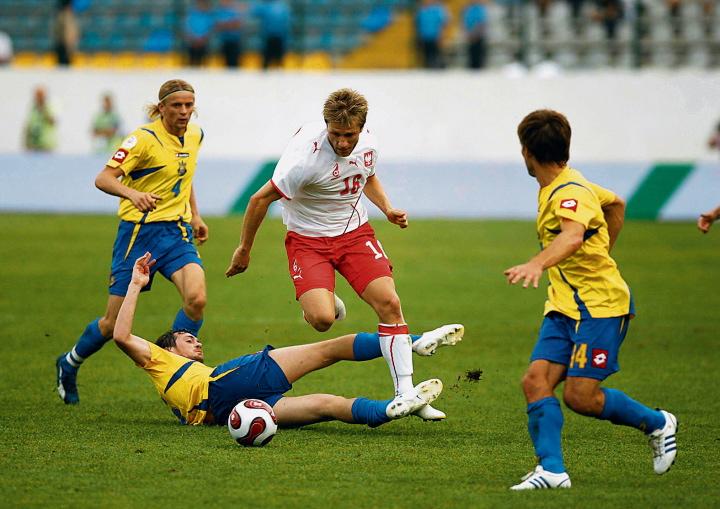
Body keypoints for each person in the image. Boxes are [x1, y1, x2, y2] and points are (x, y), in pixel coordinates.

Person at [226, 88, 449, 421]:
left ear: (362, 128)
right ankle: (325, 299)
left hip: (354, 234)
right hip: (307, 240)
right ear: (325, 125)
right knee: (321, 320)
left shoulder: (369, 144)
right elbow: (259, 200)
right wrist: (244, 249)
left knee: (389, 303)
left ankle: (406, 393)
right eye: (336, 134)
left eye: (350, 135)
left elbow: (367, 176)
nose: (343, 143)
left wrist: (387, 209)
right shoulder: (303, 160)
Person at [504, 109, 678, 490]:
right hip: (564, 306)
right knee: (535, 381)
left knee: (580, 397)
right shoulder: (567, 184)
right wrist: (603, 250)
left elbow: (571, 236)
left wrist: (537, 263)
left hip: (599, 307)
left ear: (527, 152)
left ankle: (658, 423)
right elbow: (616, 204)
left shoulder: (569, 193)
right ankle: (552, 471)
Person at [116, 253, 463, 428]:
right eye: (186, 339)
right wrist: (135, 284)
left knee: (327, 405)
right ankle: (413, 341)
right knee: (329, 349)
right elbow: (121, 335)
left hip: (229, 413)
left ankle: (390, 409)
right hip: (227, 383)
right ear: (166, 350)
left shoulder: (179, 396)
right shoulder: (159, 361)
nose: (196, 342)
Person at [56, 79, 209, 405]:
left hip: (176, 232)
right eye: (177, 105)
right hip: (138, 235)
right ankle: (69, 362)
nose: (184, 111)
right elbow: (103, 178)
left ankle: (177, 372)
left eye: (188, 105)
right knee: (111, 324)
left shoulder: (196, 134)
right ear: (162, 107)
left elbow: (185, 177)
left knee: (196, 299)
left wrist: (195, 215)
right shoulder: (142, 139)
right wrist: (132, 194)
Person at [250, 0, 291, 70]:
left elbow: (253, 13)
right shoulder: (283, 7)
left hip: (272, 37)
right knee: (276, 60)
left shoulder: (267, 6)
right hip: (274, 37)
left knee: (271, 60)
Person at [415, 0, 450, 69]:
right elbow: (418, 24)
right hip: (424, 38)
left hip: (435, 38)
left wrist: (441, 35)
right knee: (426, 58)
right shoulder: (421, 11)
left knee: (436, 57)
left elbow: (443, 23)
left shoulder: (438, 10)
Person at [24, 86, 57, 152]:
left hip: (47, 146)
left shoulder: (50, 107)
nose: (38, 98)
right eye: (37, 96)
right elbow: (29, 124)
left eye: (40, 96)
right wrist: (26, 142)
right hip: (34, 146)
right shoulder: (33, 108)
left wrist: (43, 110)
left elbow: (53, 122)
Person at [215, 0, 244, 68]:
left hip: (235, 41)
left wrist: (225, 25)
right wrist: (230, 24)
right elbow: (217, 26)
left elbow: (238, 25)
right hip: (224, 41)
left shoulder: (235, 11)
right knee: (224, 64)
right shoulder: (218, 12)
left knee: (234, 63)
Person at [185, 0, 214, 67]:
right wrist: (194, 39)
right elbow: (187, 28)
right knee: (191, 63)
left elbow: (210, 29)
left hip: (204, 43)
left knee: (203, 64)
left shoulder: (208, 16)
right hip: (192, 43)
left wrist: (203, 39)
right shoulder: (191, 15)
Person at [462, 0, 489, 70]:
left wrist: (475, 34)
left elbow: (482, 23)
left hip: (478, 36)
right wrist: (468, 34)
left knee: (479, 56)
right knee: (471, 56)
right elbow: (465, 22)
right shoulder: (468, 9)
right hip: (470, 37)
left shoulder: (480, 9)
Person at [53, 0, 79, 66]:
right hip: (64, 46)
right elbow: (67, 32)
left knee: (65, 66)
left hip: (65, 45)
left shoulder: (64, 15)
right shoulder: (64, 16)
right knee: (64, 66)